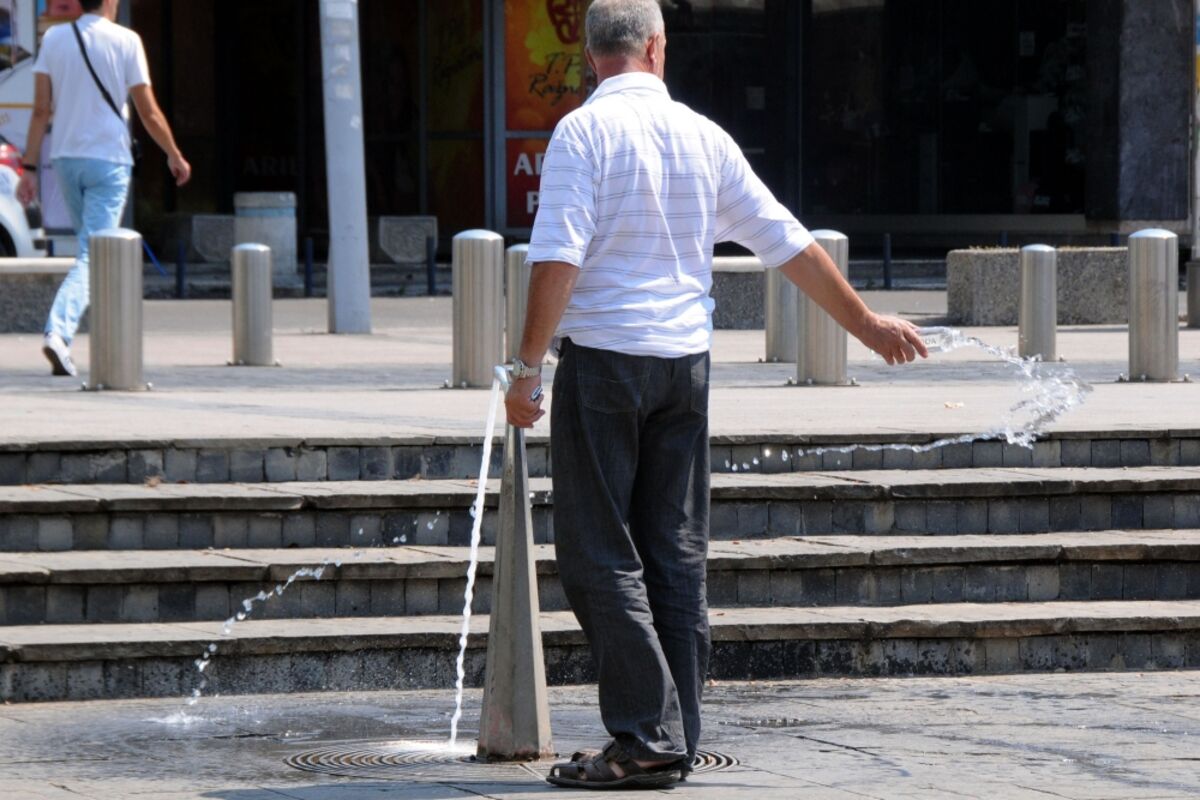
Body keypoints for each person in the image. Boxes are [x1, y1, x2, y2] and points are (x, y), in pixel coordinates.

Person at [504, 0, 926, 790]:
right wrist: (866, 324)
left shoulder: (582, 134)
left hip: (605, 364)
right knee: (674, 550)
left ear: (590, 56)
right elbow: (787, 241)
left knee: (596, 554)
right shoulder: (704, 136)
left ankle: (647, 736)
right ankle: (675, 733)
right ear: (658, 48)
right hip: (685, 369)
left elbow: (557, 255)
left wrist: (525, 367)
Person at [17, 0, 190, 377]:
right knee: (93, 254)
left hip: (66, 159)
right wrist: (173, 154)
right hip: (108, 160)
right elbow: (148, 112)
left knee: (90, 250)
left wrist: (29, 167)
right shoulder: (127, 41)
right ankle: (59, 332)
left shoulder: (55, 39)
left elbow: (41, 110)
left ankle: (99, 339)